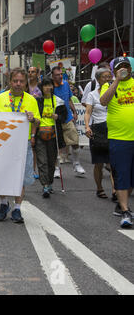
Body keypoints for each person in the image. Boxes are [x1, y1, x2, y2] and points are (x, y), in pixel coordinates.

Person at [0, 68, 40, 223]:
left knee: (20, 179)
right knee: (3, 177)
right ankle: (4, 204)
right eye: (15, 81)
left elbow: (38, 121)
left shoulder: (31, 100)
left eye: (21, 81)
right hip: (3, 144)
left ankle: (17, 209)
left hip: (22, 145)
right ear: (10, 82)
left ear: (26, 84)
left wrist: (33, 120)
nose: (18, 84)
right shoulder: (0, 98)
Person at [100, 56, 134, 228]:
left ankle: (121, 204)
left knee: (131, 178)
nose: (123, 69)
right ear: (114, 71)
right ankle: (125, 210)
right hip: (119, 138)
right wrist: (116, 82)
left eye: (126, 66)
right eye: (120, 67)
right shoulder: (108, 86)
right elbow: (103, 101)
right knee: (121, 174)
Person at [84, 68, 116, 202]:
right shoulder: (92, 95)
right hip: (98, 130)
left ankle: (115, 190)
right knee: (99, 163)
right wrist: (87, 127)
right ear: (98, 79)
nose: (108, 79)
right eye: (104, 77)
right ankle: (99, 188)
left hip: (114, 129)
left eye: (110, 77)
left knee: (114, 162)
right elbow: (87, 112)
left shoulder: (116, 92)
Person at [34, 78, 67, 198]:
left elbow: (64, 116)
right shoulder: (37, 101)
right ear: (42, 87)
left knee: (51, 161)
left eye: (50, 85)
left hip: (54, 135)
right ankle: (45, 185)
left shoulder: (59, 101)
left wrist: (58, 116)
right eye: (46, 85)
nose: (48, 88)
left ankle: (50, 182)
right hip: (40, 135)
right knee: (42, 161)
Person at [52, 66, 86, 175]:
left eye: (61, 74)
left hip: (67, 118)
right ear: (52, 76)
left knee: (75, 141)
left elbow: (69, 99)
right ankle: (56, 168)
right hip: (55, 120)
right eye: (57, 75)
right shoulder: (50, 86)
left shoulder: (66, 84)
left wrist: (75, 111)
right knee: (56, 146)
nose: (60, 76)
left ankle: (76, 164)